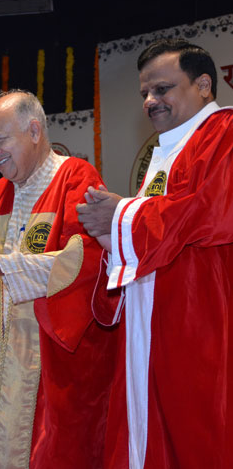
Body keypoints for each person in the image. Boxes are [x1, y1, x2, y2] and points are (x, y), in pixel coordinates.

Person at [77, 39, 233, 468]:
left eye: (162, 89)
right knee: (154, 430)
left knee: (200, 433)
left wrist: (122, 214)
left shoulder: (223, 132)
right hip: (158, 316)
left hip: (203, 314)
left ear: (204, 85)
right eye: (145, 92)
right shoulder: (168, 148)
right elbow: (164, 225)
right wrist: (111, 233)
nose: (149, 101)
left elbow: (211, 210)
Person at [0, 90, 119, 469]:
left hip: (52, 365)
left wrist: (1, 267)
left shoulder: (73, 177)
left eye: (0, 140)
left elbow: (86, 261)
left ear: (35, 131)